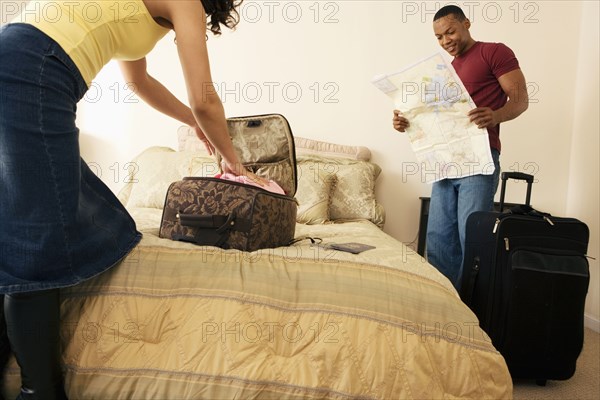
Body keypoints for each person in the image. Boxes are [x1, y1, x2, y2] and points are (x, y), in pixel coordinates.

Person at [0, 1, 261, 398]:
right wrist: (232, 158)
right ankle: (39, 391)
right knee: (39, 236)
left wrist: (193, 124)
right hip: (34, 65)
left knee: (35, 221)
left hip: (20, 58)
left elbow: (140, 83)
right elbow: (205, 98)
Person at [392, 5, 529, 288]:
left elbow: (520, 99)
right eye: (439, 37)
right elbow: (435, 117)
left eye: (450, 31)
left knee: (472, 237)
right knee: (440, 239)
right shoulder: (447, 70)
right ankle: (448, 307)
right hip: (443, 162)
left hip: (478, 160)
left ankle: (474, 312)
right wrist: (405, 121)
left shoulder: (495, 52)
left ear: (466, 23)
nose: (445, 41)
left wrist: (496, 114)